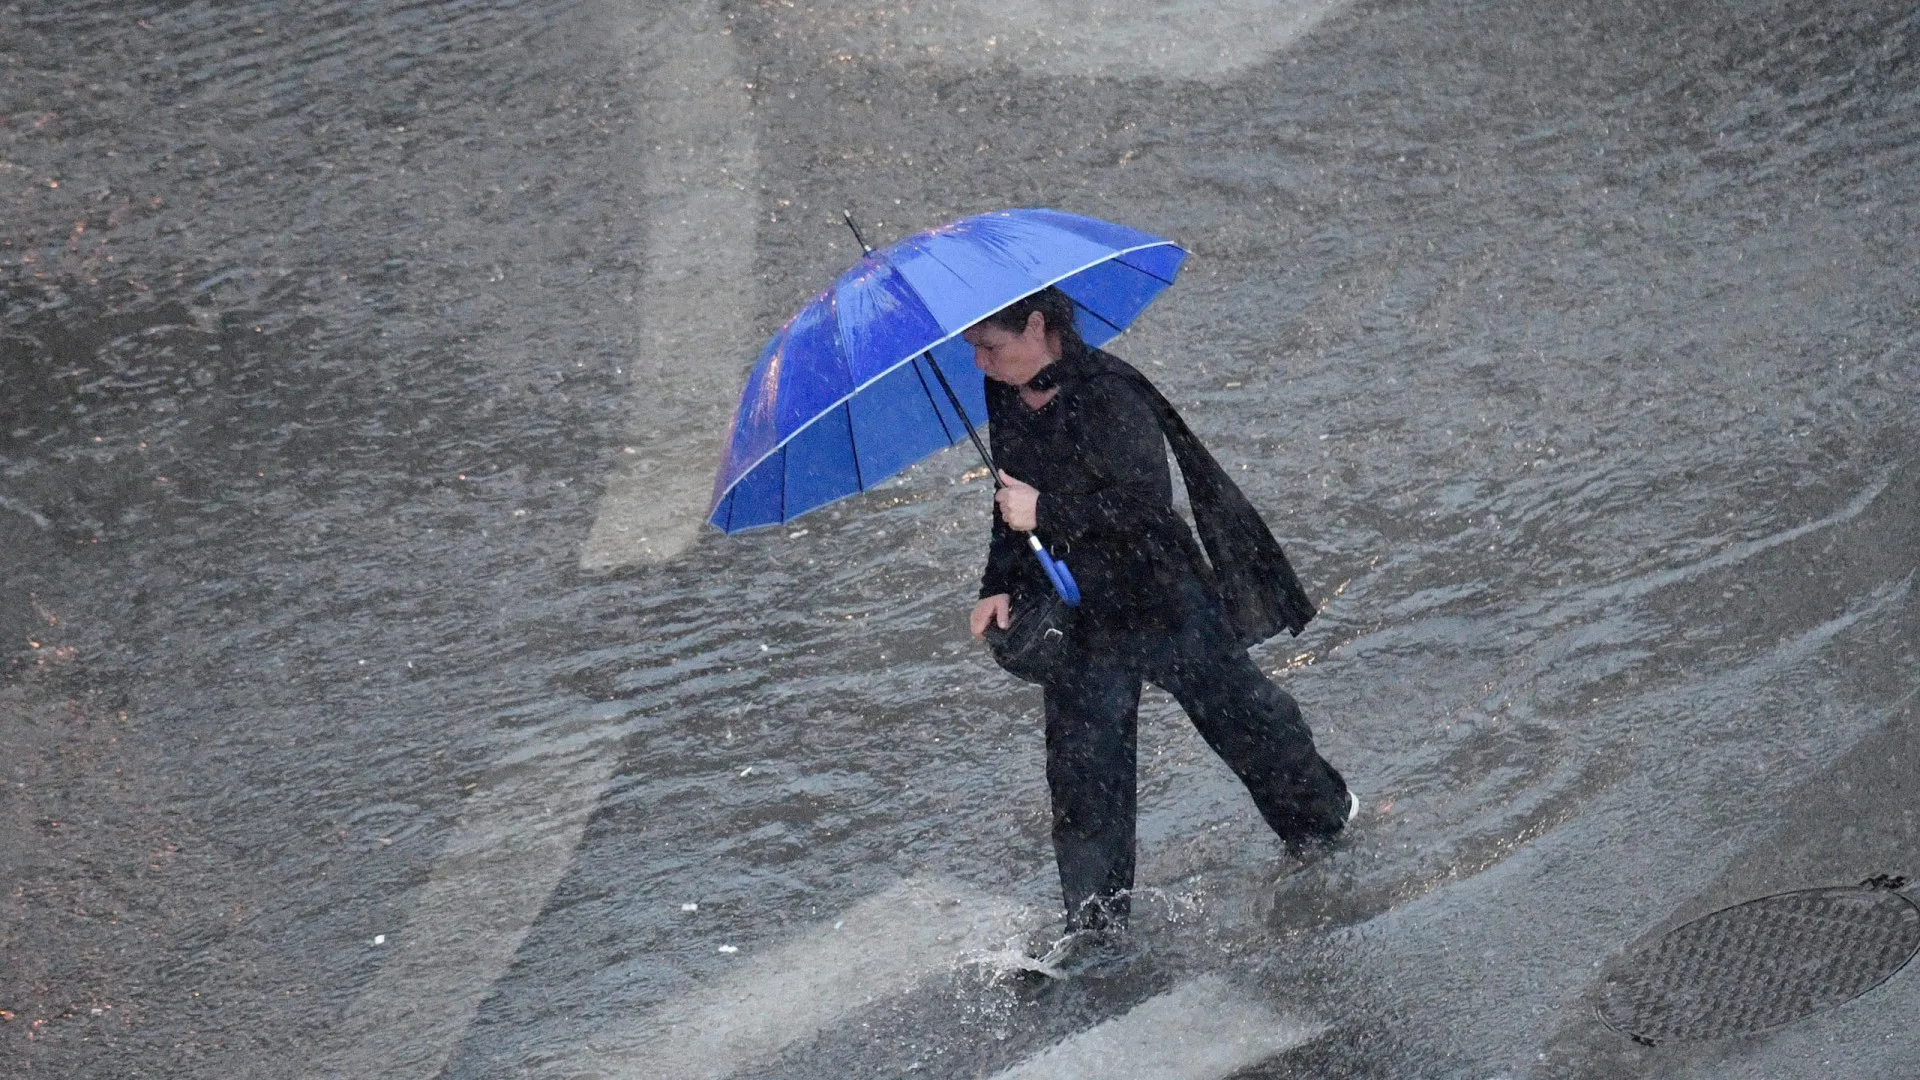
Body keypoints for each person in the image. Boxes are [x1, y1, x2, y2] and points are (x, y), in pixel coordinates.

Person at [964, 286, 1356, 945]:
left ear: (1037, 325)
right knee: (1084, 777)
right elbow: (1009, 503)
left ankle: (1326, 821)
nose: (980, 362)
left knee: (1247, 723)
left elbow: (1142, 509)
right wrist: (997, 582)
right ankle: (1094, 928)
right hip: (1082, 617)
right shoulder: (1004, 391)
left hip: (1164, 600)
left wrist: (1047, 511)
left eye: (991, 347)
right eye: (972, 348)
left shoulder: (1113, 392)